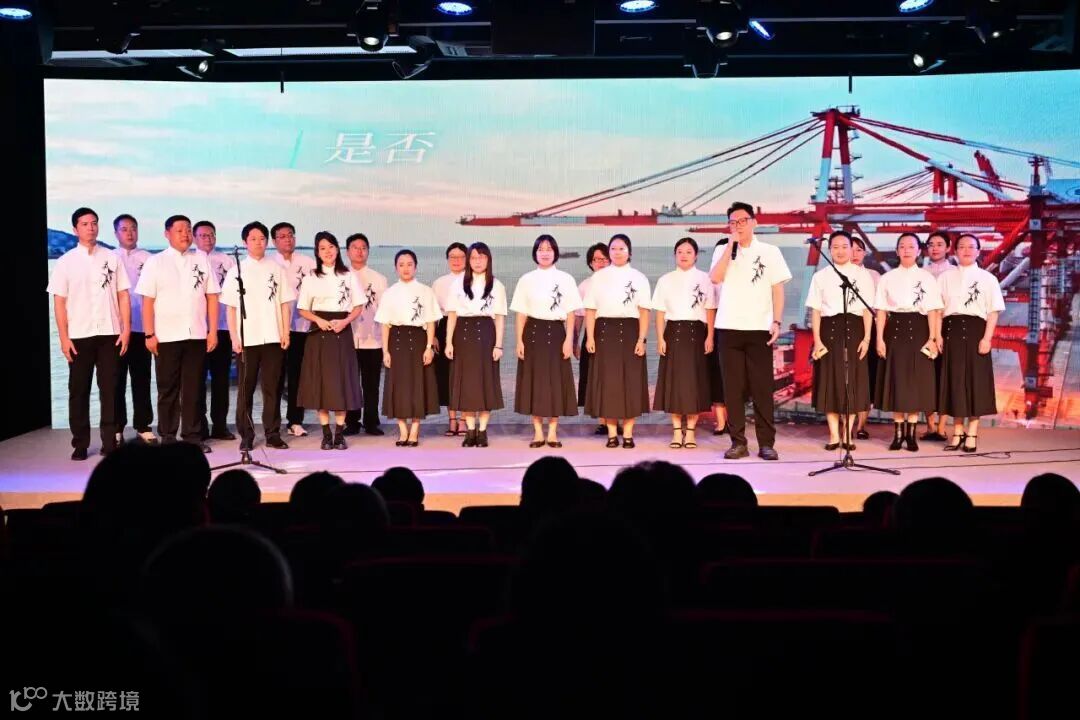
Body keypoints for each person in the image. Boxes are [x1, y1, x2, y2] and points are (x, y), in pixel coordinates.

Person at [709, 202, 792, 461]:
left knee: (762, 389)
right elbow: (715, 277)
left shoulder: (770, 252)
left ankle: (766, 443)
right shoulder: (723, 250)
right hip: (728, 327)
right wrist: (730, 247)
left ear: (754, 222)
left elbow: (777, 289)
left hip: (759, 328)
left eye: (743, 221)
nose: (738, 226)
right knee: (732, 390)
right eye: (733, 222)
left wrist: (777, 321)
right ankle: (738, 443)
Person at [47, 207, 131, 460]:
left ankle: (110, 442)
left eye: (94, 223)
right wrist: (64, 338)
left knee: (110, 389)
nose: (91, 228)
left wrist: (126, 330)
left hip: (109, 333)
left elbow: (123, 295)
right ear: (75, 229)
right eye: (85, 224)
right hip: (79, 335)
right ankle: (80, 443)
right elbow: (59, 303)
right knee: (79, 390)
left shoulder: (112, 258)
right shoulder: (66, 262)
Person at [135, 214, 220, 453]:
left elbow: (212, 297)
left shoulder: (201, 259)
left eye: (188, 230)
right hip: (166, 336)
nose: (185, 234)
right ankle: (168, 436)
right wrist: (149, 334)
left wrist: (213, 331)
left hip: (196, 334)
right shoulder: (156, 262)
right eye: (180, 230)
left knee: (194, 388)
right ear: (167, 234)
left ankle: (192, 436)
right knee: (167, 389)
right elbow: (147, 301)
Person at [219, 221, 293, 452]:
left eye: (262, 238)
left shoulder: (276, 269)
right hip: (247, 338)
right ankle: (247, 435)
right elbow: (231, 308)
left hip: (273, 336)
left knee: (272, 388)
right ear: (245, 242)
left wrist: (285, 332)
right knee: (246, 388)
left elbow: (284, 303)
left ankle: (272, 433)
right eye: (253, 239)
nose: (258, 243)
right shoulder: (237, 270)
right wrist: (234, 337)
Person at [510, 235, 583, 448]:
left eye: (549, 249)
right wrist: (519, 341)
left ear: (555, 252)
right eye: (540, 249)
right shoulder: (526, 279)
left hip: (557, 333)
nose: (545, 253)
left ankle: (552, 433)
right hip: (532, 333)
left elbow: (571, 312)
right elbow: (521, 314)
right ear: (535, 253)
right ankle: (537, 433)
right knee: (534, 382)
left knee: (555, 383)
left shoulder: (566, 279)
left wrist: (569, 340)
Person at [935, 233, 1005, 454]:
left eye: (971, 246)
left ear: (978, 251)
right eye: (962, 246)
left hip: (977, 332)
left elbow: (993, 312)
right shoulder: (945, 277)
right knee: (955, 382)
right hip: (951, 331)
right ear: (955, 251)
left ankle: (972, 433)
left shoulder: (988, 278)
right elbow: (938, 310)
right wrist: (938, 336)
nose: (966, 250)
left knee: (975, 383)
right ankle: (957, 432)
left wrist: (987, 338)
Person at [874, 233, 944, 452]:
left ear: (918, 251)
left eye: (911, 246)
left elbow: (933, 311)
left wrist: (933, 338)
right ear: (897, 251)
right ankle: (897, 435)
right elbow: (881, 311)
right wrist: (879, 339)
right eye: (902, 246)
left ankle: (911, 435)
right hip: (895, 329)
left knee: (914, 383)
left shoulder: (927, 278)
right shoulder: (887, 278)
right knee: (897, 381)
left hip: (920, 329)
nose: (906, 250)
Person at [805, 231, 873, 450]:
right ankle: (834, 435)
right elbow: (816, 311)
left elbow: (867, 310)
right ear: (829, 249)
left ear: (852, 249)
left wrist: (867, 338)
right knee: (831, 381)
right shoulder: (820, 276)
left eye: (845, 246)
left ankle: (848, 435)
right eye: (835, 247)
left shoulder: (862, 275)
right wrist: (818, 341)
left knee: (852, 382)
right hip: (829, 329)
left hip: (855, 328)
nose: (840, 251)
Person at [296, 232, 363, 451]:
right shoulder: (311, 277)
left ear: (337, 249)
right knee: (322, 384)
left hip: (341, 330)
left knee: (341, 383)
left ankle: (339, 434)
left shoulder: (349, 275)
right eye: (322, 248)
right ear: (317, 252)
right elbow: (303, 309)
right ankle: (326, 434)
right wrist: (318, 320)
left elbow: (358, 306)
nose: (327, 251)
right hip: (319, 332)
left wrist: (345, 322)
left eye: (331, 247)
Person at [584, 233, 652, 449]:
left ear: (629, 252)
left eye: (621, 248)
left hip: (631, 331)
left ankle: (628, 434)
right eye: (613, 248)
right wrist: (590, 337)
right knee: (609, 383)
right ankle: (612, 434)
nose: (617, 252)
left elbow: (644, 311)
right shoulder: (598, 277)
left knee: (630, 383)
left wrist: (642, 339)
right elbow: (590, 309)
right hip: (604, 331)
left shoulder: (639, 278)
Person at [651, 237, 716, 450]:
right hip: (673, 333)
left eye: (688, 252)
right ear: (674, 255)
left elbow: (710, 309)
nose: (684, 255)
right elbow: (660, 312)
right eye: (680, 251)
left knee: (694, 384)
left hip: (697, 333)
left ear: (696, 255)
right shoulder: (665, 280)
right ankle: (677, 431)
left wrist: (710, 336)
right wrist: (660, 338)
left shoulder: (705, 279)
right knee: (675, 384)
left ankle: (691, 432)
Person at [375, 249, 442, 447]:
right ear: (396, 268)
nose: (406, 268)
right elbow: (384, 324)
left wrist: (429, 347)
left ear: (416, 267)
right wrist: (385, 351)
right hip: (396, 340)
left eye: (410, 264)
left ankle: (414, 430)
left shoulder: (425, 291)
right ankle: (402, 430)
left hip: (419, 339)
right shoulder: (390, 293)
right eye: (401, 264)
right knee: (398, 386)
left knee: (417, 384)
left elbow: (431, 321)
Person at [445, 242, 507, 447]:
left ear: (488, 260)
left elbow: (499, 317)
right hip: (463, 334)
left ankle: (482, 431)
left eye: (481, 257)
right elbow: (452, 316)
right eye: (473, 257)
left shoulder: (496, 285)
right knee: (467, 384)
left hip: (487, 334)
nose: (477, 261)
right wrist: (448, 342)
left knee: (485, 382)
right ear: (468, 261)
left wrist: (498, 345)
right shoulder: (458, 283)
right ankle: (470, 431)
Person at [112, 213, 156, 446]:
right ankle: (116, 428)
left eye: (133, 228)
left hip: (142, 328)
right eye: (124, 229)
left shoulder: (149, 259)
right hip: (116, 330)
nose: (129, 233)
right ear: (116, 233)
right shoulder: (110, 259)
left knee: (142, 378)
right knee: (115, 380)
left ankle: (143, 426)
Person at [271, 222, 317, 438]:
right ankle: (272, 423)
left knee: (297, 376)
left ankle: (295, 420)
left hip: (301, 328)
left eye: (290, 235)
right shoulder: (269, 264)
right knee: (274, 377)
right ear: (274, 241)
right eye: (282, 236)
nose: (287, 239)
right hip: (275, 329)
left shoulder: (308, 263)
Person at [193, 220, 236, 441]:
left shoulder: (228, 261)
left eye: (211, 235)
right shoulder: (190, 261)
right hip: (197, 330)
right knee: (197, 380)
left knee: (221, 379)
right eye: (202, 235)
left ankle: (220, 425)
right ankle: (199, 427)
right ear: (194, 238)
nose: (207, 239)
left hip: (223, 328)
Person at [343, 233, 388, 436]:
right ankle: (352, 422)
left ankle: (371, 421)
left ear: (368, 251)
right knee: (350, 383)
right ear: (347, 252)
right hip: (348, 338)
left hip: (373, 338)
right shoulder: (342, 276)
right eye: (355, 247)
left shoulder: (379, 279)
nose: (359, 251)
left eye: (363, 248)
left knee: (371, 383)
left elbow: (384, 310)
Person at [573, 243, 611, 435]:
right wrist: (574, 342)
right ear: (590, 263)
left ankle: (618, 420)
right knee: (595, 380)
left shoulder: (620, 282)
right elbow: (578, 316)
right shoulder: (585, 285)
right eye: (597, 259)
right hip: (592, 337)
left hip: (615, 336)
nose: (601, 263)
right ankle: (603, 422)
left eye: (604, 259)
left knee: (614, 379)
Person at [922, 230, 955, 442]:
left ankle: (942, 427)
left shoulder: (954, 272)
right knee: (926, 376)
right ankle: (930, 425)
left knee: (944, 376)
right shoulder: (921, 273)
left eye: (939, 244)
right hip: (924, 328)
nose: (935, 248)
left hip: (948, 328)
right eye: (931, 244)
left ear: (948, 247)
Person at [432, 242, 468, 437]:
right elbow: (433, 313)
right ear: (447, 260)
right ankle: (452, 419)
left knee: (465, 374)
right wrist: (433, 337)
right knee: (447, 374)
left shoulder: (473, 280)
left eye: (461, 257)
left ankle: (464, 420)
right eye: (452, 257)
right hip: (444, 326)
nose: (456, 260)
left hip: (467, 326)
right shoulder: (439, 283)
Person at [851, 236, 881, 440]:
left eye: (859, 250)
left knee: (866, 379)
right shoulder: (832, 275)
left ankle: (861, 425)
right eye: (850, 249)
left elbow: (880, 307)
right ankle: (844, 426)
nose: (854, 254)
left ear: (865, 253)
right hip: (844, 330)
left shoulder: (874, 275)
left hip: (869, 330)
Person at [707, 237, 731, 437]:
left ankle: (734, 420)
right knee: (717, 375)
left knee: (734, 377)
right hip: (715, 330)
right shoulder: (710, 279)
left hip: (736, 327)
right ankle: (721, 422)